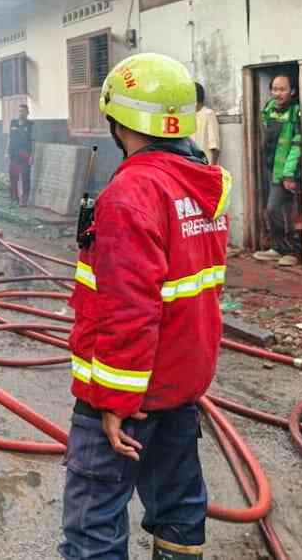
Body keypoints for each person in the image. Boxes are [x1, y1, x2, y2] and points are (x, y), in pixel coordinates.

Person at [60, 53, 231, 560]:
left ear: (120, 122)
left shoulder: (130, 193)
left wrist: (114, 401)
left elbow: (129, 311)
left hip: (126, 397)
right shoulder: (203, 186)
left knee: (94, 523)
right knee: (178, 510)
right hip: (180, 385)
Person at [252, 75, 302, 267]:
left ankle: (293, 251)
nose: (277, 93)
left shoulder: (295, 112)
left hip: (286, 170)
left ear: (292, 92)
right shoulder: (269, 109)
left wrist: (289, 173)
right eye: (274, 89)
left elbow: (297, 144)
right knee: (273, 210)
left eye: (282, 89)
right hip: (269, 167)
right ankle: (277, 248)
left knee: (280, 209)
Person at [8, 104, 35, 205]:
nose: (21, 113)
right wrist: (6, 151)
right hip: (13, 153)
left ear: (27, 113)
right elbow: (9, 138)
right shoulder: (13, 123)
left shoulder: (31, 125)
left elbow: (33, 141)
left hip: (25, 154)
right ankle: (13, 198)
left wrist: (32, 155)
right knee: (13, 176)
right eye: (19, 111)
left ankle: (24, 199)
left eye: (23, 111)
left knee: (25, 177)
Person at [192, 83, 220, 166]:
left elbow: (214, 146)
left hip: (204, 165)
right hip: (190, 164)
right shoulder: (187, 117)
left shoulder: (208, 114)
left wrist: (212, 168)